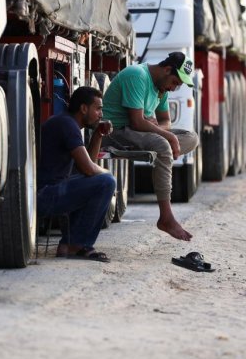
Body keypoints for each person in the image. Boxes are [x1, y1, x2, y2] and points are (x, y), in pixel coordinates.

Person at [101, 52, 199, 242]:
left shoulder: (161, 88)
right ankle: (166, 217)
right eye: (175, 82)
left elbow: (165, 121)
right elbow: (137, 122)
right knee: (164, 144)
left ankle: (163, 153)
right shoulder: (137, 75)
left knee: (192, 137)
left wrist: (156, 128)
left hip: (142, 133)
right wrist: (164, 134)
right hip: (117, 131)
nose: (174, 88)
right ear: (167, 69)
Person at [37, 86, 117, 262]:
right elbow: (89, 169)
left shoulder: (68, 122)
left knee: (100, 182)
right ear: (83, 108)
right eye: (98, 108)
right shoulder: (67, 124)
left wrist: (98, 134)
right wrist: (108, 177)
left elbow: (86, 169)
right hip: (44, 195)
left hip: (49, 191)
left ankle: (69, 243)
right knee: (107, 182)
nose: (101, 114)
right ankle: (78, 244)